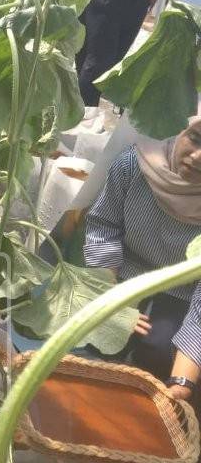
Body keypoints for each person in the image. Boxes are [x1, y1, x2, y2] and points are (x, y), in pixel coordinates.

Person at [84, 117, 201, 401]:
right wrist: (111, 300)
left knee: (160, 351)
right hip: (122, 272)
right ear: (180, 130)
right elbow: (103, 225)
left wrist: (182, 382)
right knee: (99, 338)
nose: (197, 157)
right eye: (195, 139)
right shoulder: (133, 165)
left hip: (184, 292)